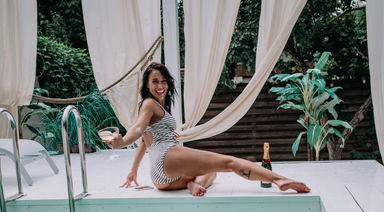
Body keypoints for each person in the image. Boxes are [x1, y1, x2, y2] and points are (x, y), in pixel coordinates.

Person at [105, 62, 310, 196]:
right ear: (147, 85)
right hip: (167, 157)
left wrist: (132, 171)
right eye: (155, 81)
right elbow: (139, 129)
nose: (161, 85)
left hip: (161, 180)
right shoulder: (149, 104)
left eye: (164, 81)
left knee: (212, 172)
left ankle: (191, 184)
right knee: (228, 162)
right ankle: (280, 180)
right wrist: (122, 141)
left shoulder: (154, 107)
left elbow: (144, 140)